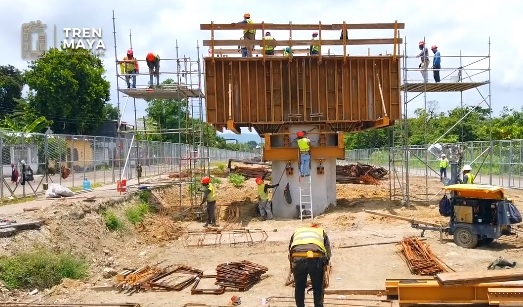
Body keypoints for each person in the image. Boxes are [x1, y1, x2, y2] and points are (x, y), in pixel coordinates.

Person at [288, 223, 332, 307]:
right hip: (316, 259)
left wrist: (293, 265)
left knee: (299, 287)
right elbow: (328, 252)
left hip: (297, 258)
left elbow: (290, 249)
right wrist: (324, 264)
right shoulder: (320, 232)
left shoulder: (297, 231)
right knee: (318, 287)